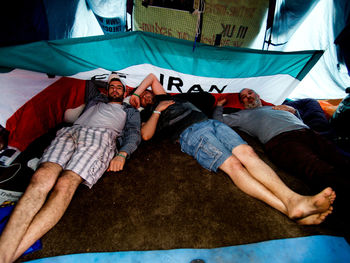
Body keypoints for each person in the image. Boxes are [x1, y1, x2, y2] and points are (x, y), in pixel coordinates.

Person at [130, 73, 335, 227]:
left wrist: (137, 93)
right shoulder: (146, 114)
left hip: (211, 122)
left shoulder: (164, 95)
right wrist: (156, 109)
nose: (148, 96)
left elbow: (151, 77)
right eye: (145, 97)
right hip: (190, 133)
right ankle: (287, 208)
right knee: (234, 166)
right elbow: (146, 135)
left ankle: (294, 199)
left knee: (248, 154)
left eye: (148, 93)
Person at [0, 73, 141, 263]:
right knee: (41, 177)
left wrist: (123, 154)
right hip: (71, 131)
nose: (115, 89)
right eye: (112, 86)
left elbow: (133, 133)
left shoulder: (130, 110)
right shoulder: (96, 99)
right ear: (107, 90)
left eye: (119, 87)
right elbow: (85, 75)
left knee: (65, 184)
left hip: (101, 137)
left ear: (124, 91)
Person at [212, 88, 350, 218]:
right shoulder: (243, 115)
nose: (248, 97)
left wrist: (294, 111)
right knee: (319, 169)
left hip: (309, 133)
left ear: (258, 96)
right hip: (282, 141)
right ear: (242, 103)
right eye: (244, 97)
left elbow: (299, 120)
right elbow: (218, 121)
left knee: (342, 161)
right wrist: (219, 105)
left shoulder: (278, 107)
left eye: (250, 93)